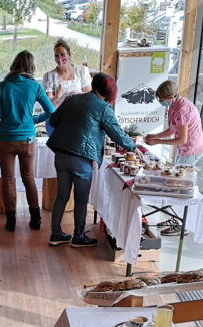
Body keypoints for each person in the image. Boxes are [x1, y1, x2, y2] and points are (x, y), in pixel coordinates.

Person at [46, 72, 136, 247]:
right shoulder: (103, 108)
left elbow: (54, 120)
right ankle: (78, 236)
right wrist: (133, 147)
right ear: (110, 92)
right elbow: (118, 135)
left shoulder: (72, 99)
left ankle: (55, 234)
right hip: (81, 157)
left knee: (62, 196)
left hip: (61, 154)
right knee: (80, 198)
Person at [0, 50, 56, 232]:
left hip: (5, 139)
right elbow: (51, 111)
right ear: (31, 67)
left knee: (8, 180)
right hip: (27, 139)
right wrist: (32, 120)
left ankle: (11, 221)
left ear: (14, 64)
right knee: (28, 178)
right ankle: (35, 220)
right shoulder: (34, 86)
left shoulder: (3, 86)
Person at [143, 80, 203, 167]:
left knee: (179, 179)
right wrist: (155, 136)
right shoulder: (174, 105)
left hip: (192, 149)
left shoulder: (182, 110)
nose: (161, 101)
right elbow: (173, 129)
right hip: (185, 148)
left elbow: (182, 140)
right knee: (177, 175)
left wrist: (157, 141)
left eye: (162, 99)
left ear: (171, 96)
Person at [43, 39, 91, 110]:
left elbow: (90, 95)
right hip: (58, 117)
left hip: (79, 113)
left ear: (69, 54)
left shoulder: (81, 71)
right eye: (56, 56)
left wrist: (78, 94)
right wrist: (57, 96)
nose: (59, 59)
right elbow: (48, 106)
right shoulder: (49, 76)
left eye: (62, 54)